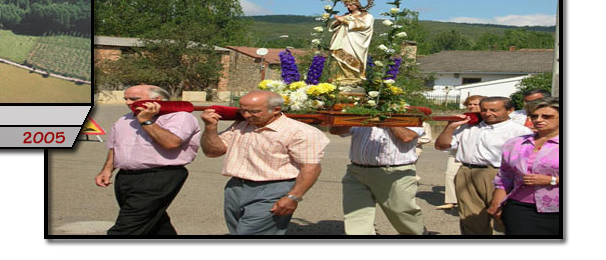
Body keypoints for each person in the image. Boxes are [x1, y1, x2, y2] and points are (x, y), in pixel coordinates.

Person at [200, 90, 329, 235]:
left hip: (273, 190)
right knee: (237, 232)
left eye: (253, 111)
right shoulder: (241, 125)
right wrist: (210, 127)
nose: (246, 115)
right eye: (242, 110)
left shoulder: (301, 132)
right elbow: (212, 152)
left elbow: (311, 168)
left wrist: (293, 197)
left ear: (276, 110)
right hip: (235, 187)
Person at [94, 84, 201, 235]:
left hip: (159, 176)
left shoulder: (180, 117)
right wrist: (107, 170)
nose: (128, 103)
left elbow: (171, 142)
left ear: (157, 99)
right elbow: (115, 146)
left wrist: (146, 121)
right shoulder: (125, 119)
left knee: (128, 226)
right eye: (126, 99)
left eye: (134, 99)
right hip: (126, 177)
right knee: (153, 221)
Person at [435, 96, 533, 235]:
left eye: (494, 110)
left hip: (500, 175)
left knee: (505, 217)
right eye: (484, 110)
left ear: (510, 110)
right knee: (471, 220)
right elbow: (441, 145)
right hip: (467, 173)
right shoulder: (468, 128)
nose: (488, 113)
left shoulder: (519, 132)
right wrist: (451, 126)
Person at [330, 123, 426, 235]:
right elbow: (336, 130)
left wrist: (385, 119)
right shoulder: (362, 112)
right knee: (356, 215)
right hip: (357, 172)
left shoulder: (409, 115)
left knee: (402, 212)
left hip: (394, 173)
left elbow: (407, 136)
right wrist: (353, 119)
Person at [487, 97, 560, 236]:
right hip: (520, 207)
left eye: (547, 116)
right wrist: (496, 203)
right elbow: (505, 176)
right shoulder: (515, 143)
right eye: (534, 116)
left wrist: (552, 180)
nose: (538, 120)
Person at [437, 95, 484, 210]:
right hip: (457, 152)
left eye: (475, 104)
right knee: (450, 175)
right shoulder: (464, 118)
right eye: (470, 104)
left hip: (477, 155)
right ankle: (451, 201)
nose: (472, 106)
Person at [329, 0, 374, 85]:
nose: (348, 7)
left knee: (353, 58)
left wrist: (345, 21)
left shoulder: (367, 16)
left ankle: (353, 79)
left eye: (350, 5)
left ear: (357, 5)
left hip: (355, 42)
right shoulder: (346, 15)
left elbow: (364, 26)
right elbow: (334, 26)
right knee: (339, 58)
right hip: (342, 40)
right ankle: (340, 79)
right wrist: (338, 21)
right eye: (347, 5)